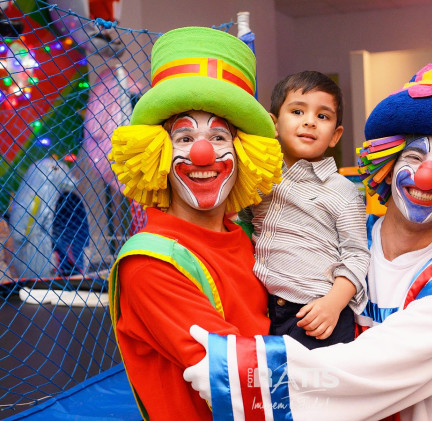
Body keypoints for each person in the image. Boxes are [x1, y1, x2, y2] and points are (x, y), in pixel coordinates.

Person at [184, 61, 432, 421]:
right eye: (414, 157)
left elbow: (372, 365)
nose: (426, 176)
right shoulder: (334, 238)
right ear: (388, 166)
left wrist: (238, 372)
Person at [107, 27, 283, 420]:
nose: (203, 154)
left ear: (245, 154)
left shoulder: (248, 236)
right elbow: (237, 375)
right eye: (184, 138)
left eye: (219, 137)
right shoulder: (150, 263)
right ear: (156, 153)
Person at [238, 71, 369, 349]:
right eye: (298, 111)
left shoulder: (343, 192)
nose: (310, 121)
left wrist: (333, 304)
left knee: (319, 378)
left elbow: (357, 255)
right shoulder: (260, 180)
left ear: (335, 135)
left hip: (317, 314)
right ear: (274, 124)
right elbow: (243, 224)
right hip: (265, 311)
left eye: (323, 116)